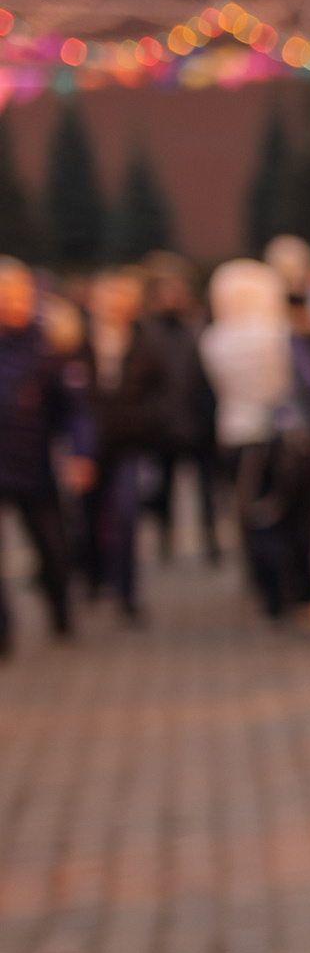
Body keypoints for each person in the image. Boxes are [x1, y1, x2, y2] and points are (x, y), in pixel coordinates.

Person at [201, 259, 310, 628]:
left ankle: (271, 596)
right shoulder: (281, 333)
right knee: (297, 519)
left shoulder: (214, 339)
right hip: (285, 437)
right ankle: (305, 594)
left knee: (256, 518)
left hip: (237, 436)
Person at [0, 257, 92, 655]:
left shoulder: (49, 347)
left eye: (16, 295)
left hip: (35, 466)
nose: (11, 304)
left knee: (52, 548)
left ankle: (61, 614)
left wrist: (81, 453)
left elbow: (75, 411)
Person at [78, 265, 174, 623]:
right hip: (89, 445)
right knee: (88, 514)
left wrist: (146, 422)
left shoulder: (146, 342)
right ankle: (94, 576)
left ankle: (126, 591)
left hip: (130, 444)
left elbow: (163, 391)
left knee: (125, 514)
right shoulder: (78, 340)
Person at [139, 252, 223, 567]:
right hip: (163, 424)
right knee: (164, 489)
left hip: (198, 421)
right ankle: (165, 540)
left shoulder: (197, 326)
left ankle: (212, 541)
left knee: (207, 490)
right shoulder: (147, 331)